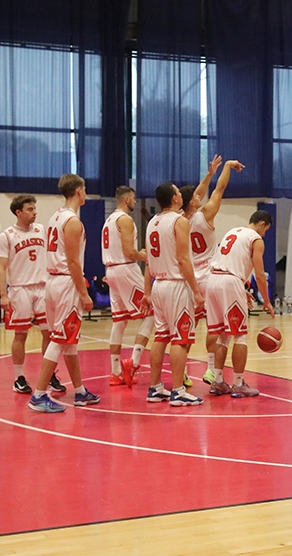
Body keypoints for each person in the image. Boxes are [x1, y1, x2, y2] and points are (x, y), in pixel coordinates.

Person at [27, 174, 101, 413]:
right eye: (85, 189)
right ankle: (38, 395)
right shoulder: (72, 222)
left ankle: (79, 392)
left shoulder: (55, 217)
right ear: (78, 191)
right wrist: (84, 293)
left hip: (53, 282)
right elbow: (73, 262)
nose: (86, 193)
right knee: (60, 339)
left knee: (68, 342)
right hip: (65, 283)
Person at [181, 156, 243, 386]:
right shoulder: (205, 214)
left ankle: (183, 370)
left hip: (189, 277)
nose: (200, 196)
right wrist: (225, 167)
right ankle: (209, 370)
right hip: (208, 273)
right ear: (194, 202)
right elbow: (220, 188)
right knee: (214, 325)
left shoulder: (179, 219)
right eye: (196, 197)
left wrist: (208, 173)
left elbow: (197, 193)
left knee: (188, 326)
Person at [143, 182, 205, 407]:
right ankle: (178, 391)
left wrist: (147, 291)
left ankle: (155, 387)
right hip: (176, 285)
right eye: (178, 191)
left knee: (161, 337)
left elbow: (149, 262)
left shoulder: (152, 222)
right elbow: (182, 259)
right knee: (181, 338)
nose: (181, 193)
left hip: (158, 284)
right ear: (175, 199)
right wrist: (196, 291)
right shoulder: (179, 221)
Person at [0, 194, 65, 394]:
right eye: (30, 209)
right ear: (18, 212)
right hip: (20, 289)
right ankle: (18, 377)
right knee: (21, 334)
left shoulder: (42, 230)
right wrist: (3, 294)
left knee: (49, 333)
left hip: (43, 287)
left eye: (35, 209)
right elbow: (1, 267)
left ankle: (49, 374)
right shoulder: (7, 235)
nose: (34, 212)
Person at [204, 210, 274, 398]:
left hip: (213, 281)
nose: (264, 234)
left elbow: (227, 264)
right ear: (262, 224)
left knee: (222, 335)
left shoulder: (232, 232)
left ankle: (218, 381)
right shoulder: (256, 239)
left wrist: (240, 290)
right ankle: (238, 383)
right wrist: (266, 301)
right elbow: (260, 274)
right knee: (240, 336)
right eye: (266, 229)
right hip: (229, 283)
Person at [101, 186, 153, 388]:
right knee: (153, 312)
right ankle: (135, 362)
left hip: (111, 271)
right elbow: (129, 252)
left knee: (120, 321)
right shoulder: (125, 219)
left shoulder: (109, 220)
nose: (135, 202)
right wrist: (144, 254)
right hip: (125, 269)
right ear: (128, 198)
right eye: (133, 199)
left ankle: (115, 373)